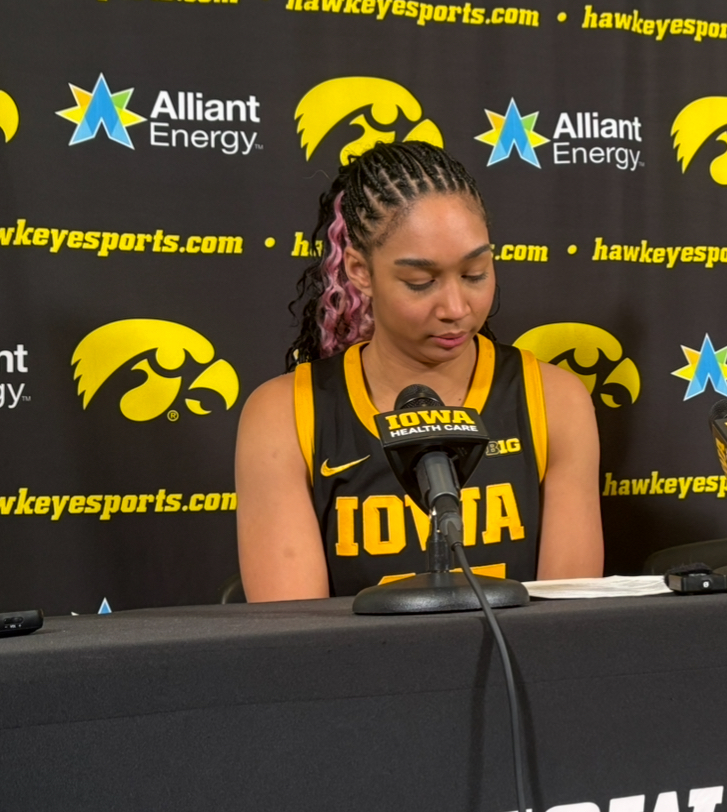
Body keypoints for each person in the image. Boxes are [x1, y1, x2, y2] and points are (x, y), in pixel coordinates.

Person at [235, 141, 604, 601]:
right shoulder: (284, 414)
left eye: (475, 274)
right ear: (359, 271)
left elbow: (567, 622)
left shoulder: (555, 399)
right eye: (420, 282)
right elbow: (293, 640)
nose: (455, 308)